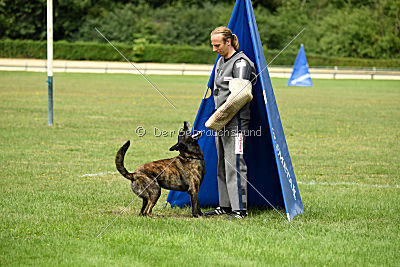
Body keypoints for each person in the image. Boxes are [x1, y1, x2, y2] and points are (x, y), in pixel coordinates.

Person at [204, 26, 256, 219]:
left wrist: (219, 117)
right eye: (212, 45)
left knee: (234, 163)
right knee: (221, 165)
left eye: (217, 45)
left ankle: (239, 210)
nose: (214, 49)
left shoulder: (241, 63)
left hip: (236, 123)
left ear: (228, 42)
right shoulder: (220, 61)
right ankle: (225, 206)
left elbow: (241, 96)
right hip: (222, 122)